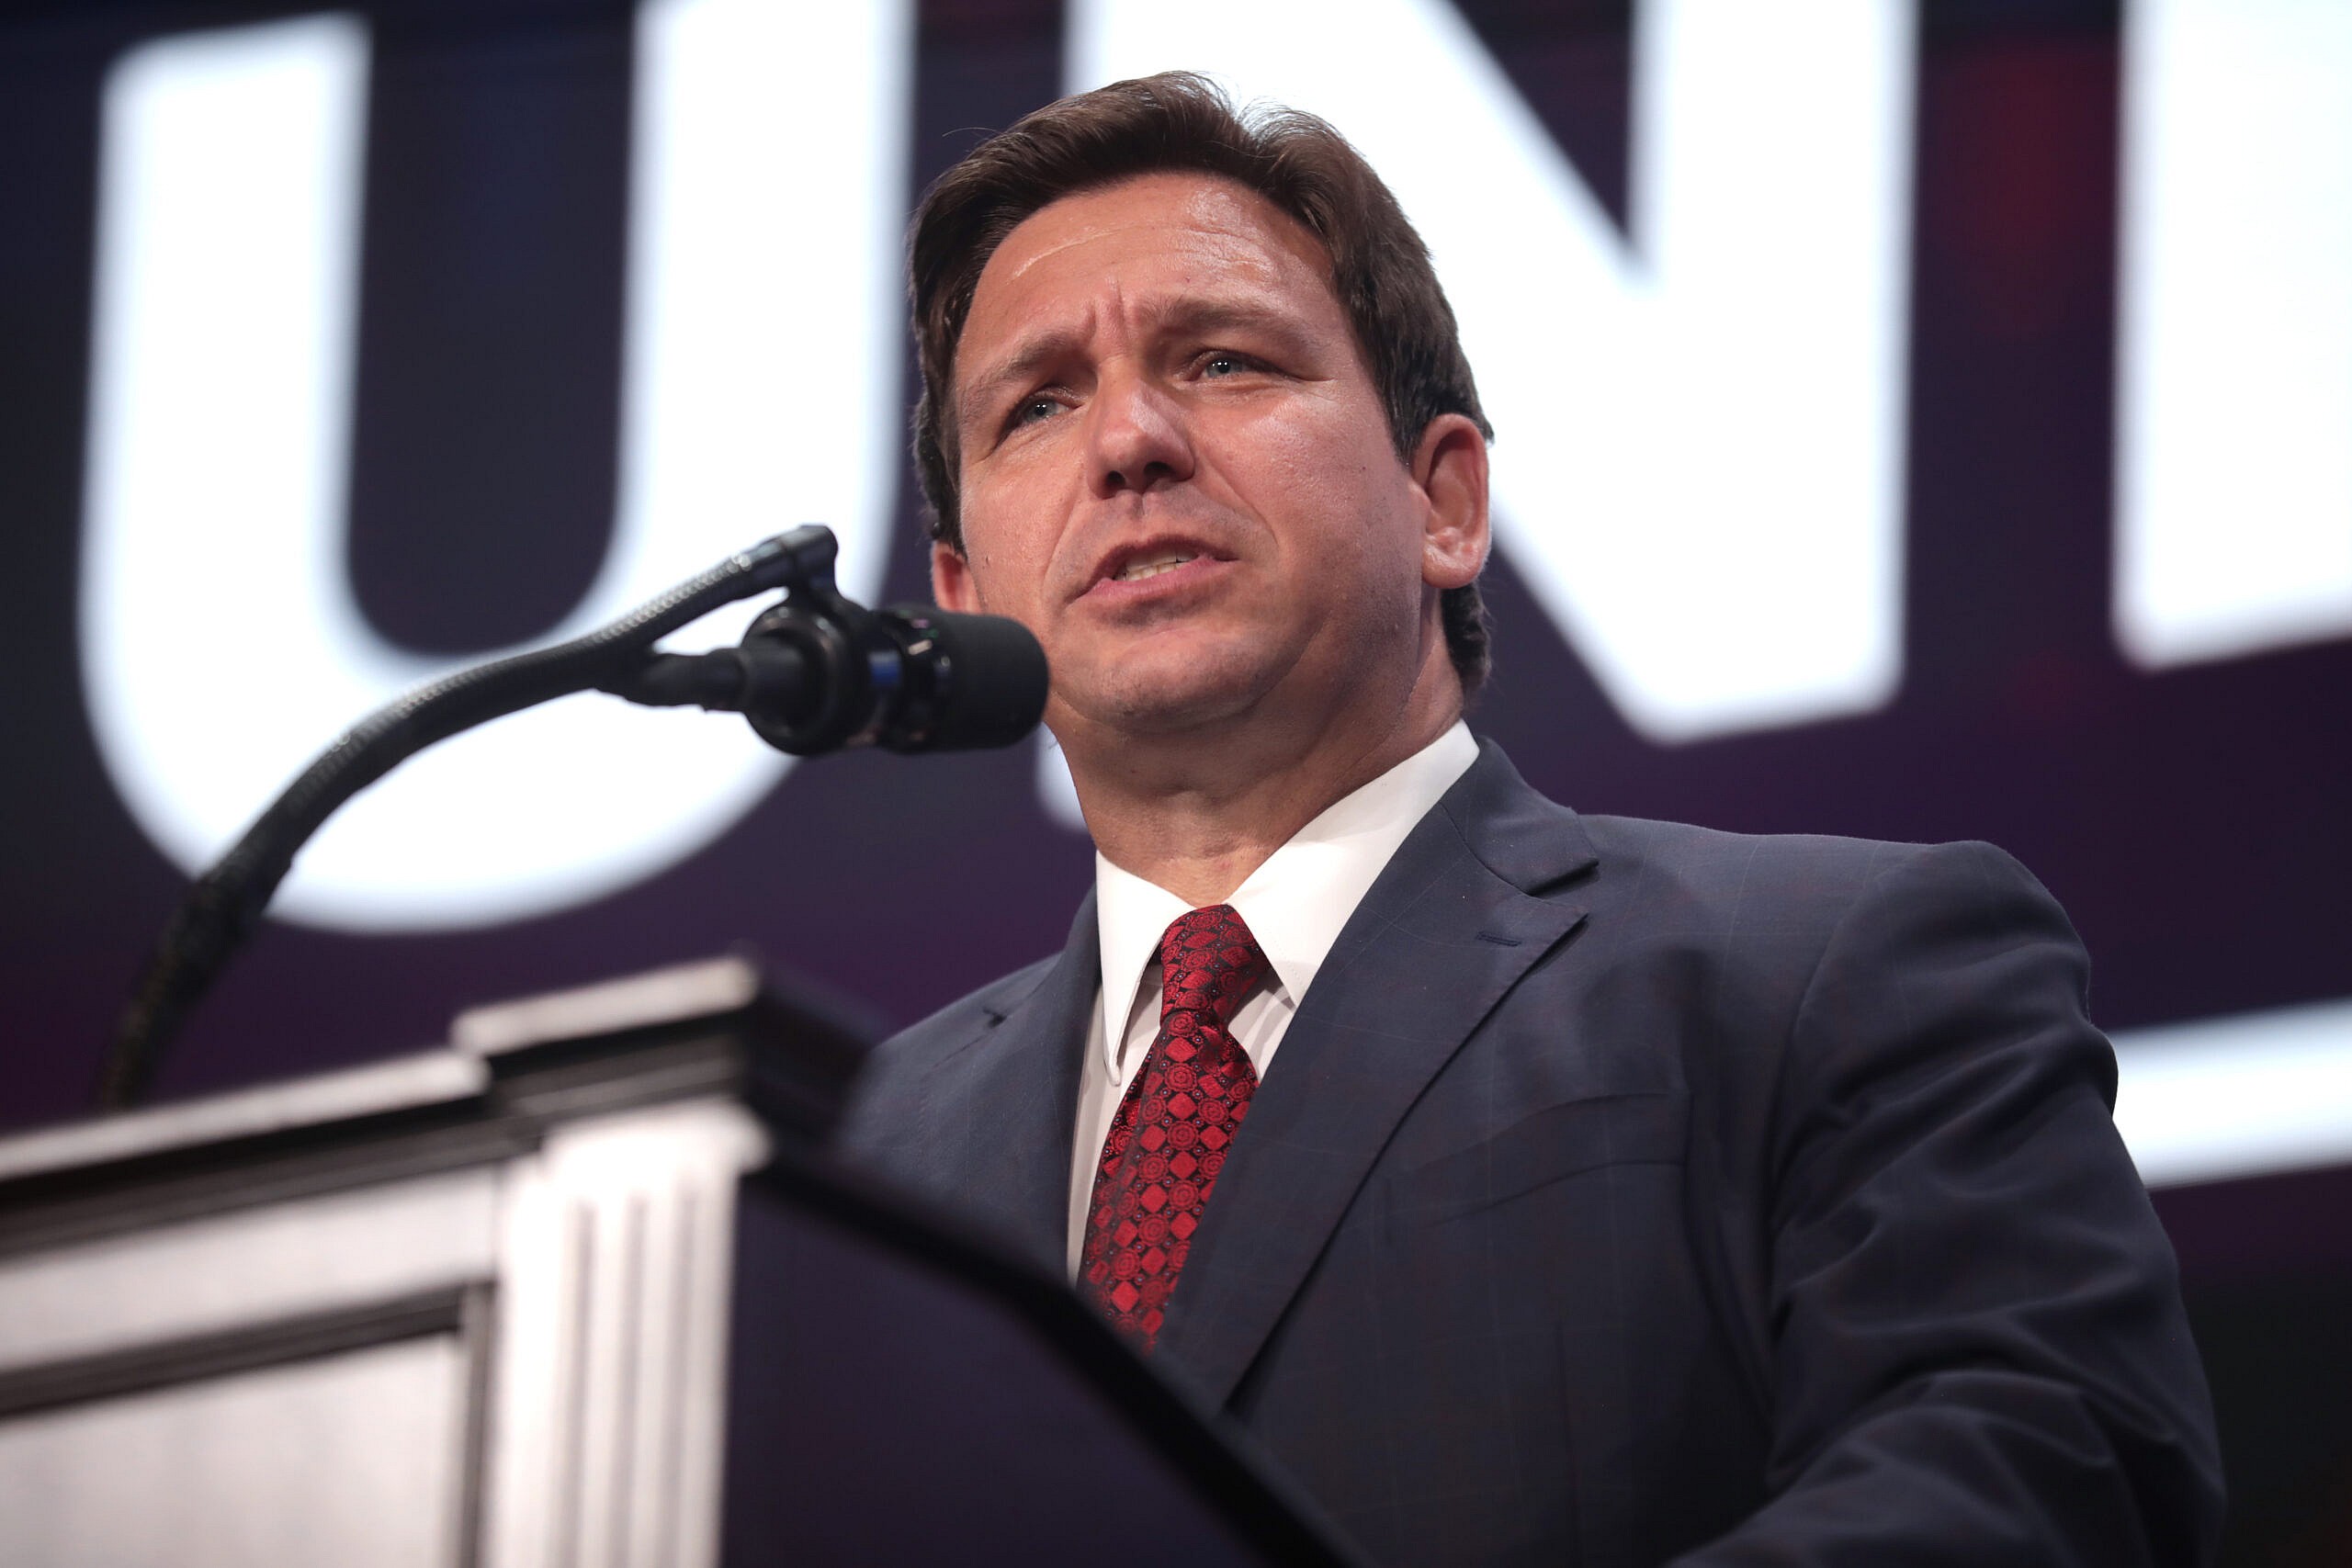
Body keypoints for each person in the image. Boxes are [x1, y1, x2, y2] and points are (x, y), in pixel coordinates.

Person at [841, 72, 2222, 1566]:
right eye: (1039, 404)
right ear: (965, 598)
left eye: (1224, 361)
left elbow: (2047, 1469)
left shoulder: (1833, 969)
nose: (1130, 442)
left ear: (1444, 500)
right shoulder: (848, 1161)